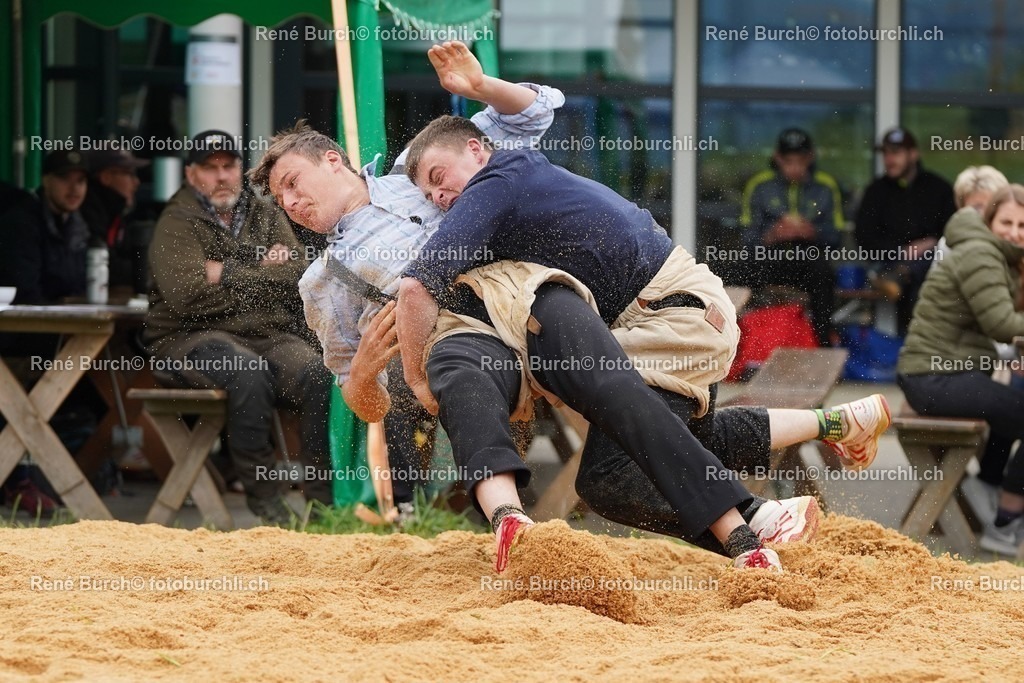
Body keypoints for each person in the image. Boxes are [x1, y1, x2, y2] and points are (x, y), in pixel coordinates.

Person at [397, 114, 890, 572]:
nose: (439, 196)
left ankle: (756, 518)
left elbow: (416, 287)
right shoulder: (517, 177)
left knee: (609, 474)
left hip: (668, 315)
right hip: (684, 309)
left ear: (476, 150)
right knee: (678, 438)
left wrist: (417, 377)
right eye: (428, 194)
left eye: (440, 177)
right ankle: (836, 424)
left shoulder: (494, 181)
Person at [251, 41, 567, 519]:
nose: (290, 204)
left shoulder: (418, 169)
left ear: (332, 160)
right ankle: (483, 515)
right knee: (433, 383)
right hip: (463, 364)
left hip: (539, 310)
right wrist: (361, 376)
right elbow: (367, 407)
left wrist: (480, 86)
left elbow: (534, 114)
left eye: (293, 183)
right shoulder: (321, 281)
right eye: (280, 200)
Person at [143, 130, 333, 525]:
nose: (221, 176)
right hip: (189, 338)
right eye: (209, 168)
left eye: (228, 166)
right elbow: (188, 298)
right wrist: (262, 270)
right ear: (190, 174)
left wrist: (225, 272)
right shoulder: (176, 222)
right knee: (247, 373)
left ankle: (324, 506)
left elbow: (300, 276)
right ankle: (267, 502)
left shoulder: (265, 212)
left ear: (240, 169)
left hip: (267, 334)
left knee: (319, 373)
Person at [897, 184, 1024, 555]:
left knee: (1011, 403)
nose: (1014, 233)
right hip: (933, 378)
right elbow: (1002, 324)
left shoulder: (992, 253)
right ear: (989, 221)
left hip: (942, 374)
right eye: (1006, 223)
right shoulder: (981, 253)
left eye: (1022, 225)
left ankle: (989, 484)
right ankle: (1005, 522)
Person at [738, 128, 843, 345]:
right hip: (768, 260)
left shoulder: (825, 186)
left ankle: (822, 344)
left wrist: (812, 233)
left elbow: (836, 239)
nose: (794, 167)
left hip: (808, 262)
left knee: (823, 274)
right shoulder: (759, 186)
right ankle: (737, 344)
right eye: (788, 161)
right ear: (778, 158)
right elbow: (746, 239)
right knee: (731, 271)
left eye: (800, 160)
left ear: (810, 158)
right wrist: (772, 235)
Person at [854, 127, 956, 334]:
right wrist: (900, 251)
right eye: (885, 153)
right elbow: (864, 237)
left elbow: (954, 231)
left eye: (896, 153)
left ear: (913, 154)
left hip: (932, 264)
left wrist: (931, 242)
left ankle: (903, 275)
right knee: (914, 277)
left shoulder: (938, 188)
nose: (889, 159)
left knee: (928, 265)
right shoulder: (876, 191)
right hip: (886, 262)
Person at [0, 150, 90, 305]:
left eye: (81, 181)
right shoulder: (22, 223)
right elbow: (25, 293)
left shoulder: (78, 225)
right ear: (46, 180)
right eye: (65, 179)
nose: (74, 189)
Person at [80, 149, 150, 296]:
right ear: (106, 177)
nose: (136, 182)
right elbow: (106, 266)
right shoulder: (88, 212)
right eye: (129, 174)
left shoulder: (116, 212)